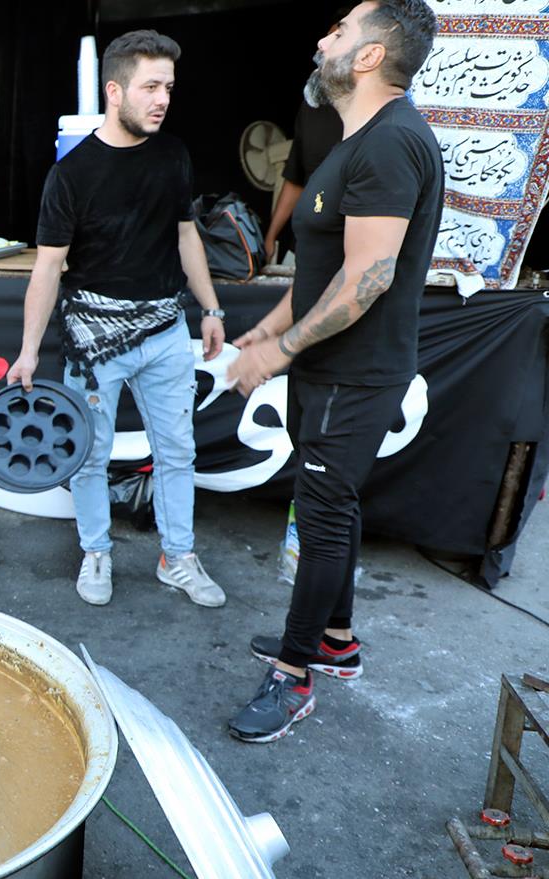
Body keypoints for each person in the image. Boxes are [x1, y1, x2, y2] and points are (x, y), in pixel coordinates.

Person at [226, 0, 442, 743]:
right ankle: (335, 638)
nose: (323, 40)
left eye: (340, 31)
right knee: (333, 508)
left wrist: (277, 354)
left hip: (355, 373)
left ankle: (294, 676)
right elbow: (322, 272)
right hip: (330, 368)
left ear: (373, 55)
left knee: (320, 515)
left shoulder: (389, 144)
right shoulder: (354, 142)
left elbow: (367, 279)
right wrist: (267, 327)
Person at [7, 30, 227, 609]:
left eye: (169, 88)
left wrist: (210, 308)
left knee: (178, 452)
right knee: (90, 455)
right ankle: (96, 551)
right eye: (150, 87)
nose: (162, 99)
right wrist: (29, 351)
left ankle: (177, 558)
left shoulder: (174, 155)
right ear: (114, 90)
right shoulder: (70, 176)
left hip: (164, 330)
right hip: (91, 338)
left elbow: (186, 235)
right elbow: (48, 268)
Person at [263, 14, 351, 263]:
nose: (323, 45)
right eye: (327, 37)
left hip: (348, 250)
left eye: (339, 37)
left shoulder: (375, 117)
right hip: (305, 243)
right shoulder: (310, 106)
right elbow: (296, 178)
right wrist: (271, 237)